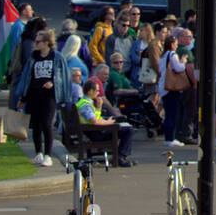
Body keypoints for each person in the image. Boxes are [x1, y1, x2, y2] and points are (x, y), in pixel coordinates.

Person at [15, 29, 71, 166]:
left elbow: (64, 77)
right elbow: (28, 78)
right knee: (36, 126)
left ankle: (48, 154)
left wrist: (53, 83)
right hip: (34, 94)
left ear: (46, 43)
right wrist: (23, 98)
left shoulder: (57, 57)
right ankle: (38, 152)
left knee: (47, 124)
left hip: (49, 96)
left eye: (38, 41)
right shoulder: (33, 57)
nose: (36, 44)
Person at [75, 81, 135, 167]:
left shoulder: (85, 102)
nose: (98, 93)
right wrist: (108, 123)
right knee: (128, 130)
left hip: (96, 131)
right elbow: (94, 121)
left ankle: (120, 156)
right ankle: (120, 157)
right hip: (96, 133)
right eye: (97, 91)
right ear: (90, 91)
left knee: (125, 126)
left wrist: (99, 107)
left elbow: (96, 117)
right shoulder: (86, 105)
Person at [157, 34, 189, 148]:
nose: (176, 46)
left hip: (163, 86)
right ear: (171, 44)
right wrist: (183, 61)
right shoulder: (172, 55)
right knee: (172, 113)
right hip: (171, 87)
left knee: (168, 112)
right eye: (175, 43)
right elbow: (179, 68)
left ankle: (168, 137)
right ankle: (170, 138)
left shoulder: (162, 55)